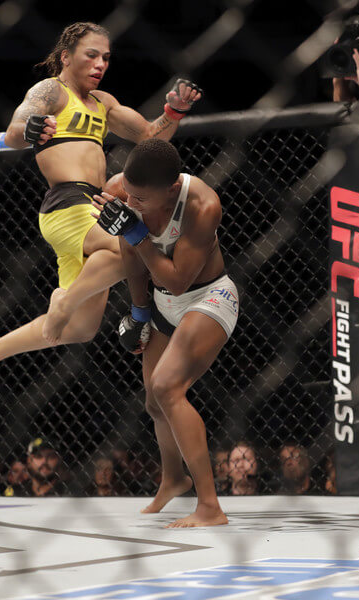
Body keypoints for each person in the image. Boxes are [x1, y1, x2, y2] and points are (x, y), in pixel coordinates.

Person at [0, 21, 201, 399]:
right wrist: (32, 127)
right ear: (66, 56)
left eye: (106, 57)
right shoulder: (51, 89)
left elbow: (150, 138)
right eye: (91, 55)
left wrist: (172, 111)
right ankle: (63, 302)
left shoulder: (104, 103)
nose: (100, 63)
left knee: (81, 328)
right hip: (66, 204)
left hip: (92, 206)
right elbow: (13, 132)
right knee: (133, 251)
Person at [93, 139, 239, 528]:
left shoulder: (202, 207)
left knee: (168, 387)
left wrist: (138, 233)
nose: (133, 202)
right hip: (159, 302)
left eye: (142, 198)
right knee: (154, 403)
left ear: (172, 189)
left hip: (207, 297)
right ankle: (174, 479)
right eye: (130, 194)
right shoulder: (120, 190)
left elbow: (177, 281)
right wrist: (139, 313)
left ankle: (210, 507)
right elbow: (130, 255)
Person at [3, 437, 68, 497]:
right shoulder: (15, 492)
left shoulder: (70, 491)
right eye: (38, 456)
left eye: (51, 456)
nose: (44, 461)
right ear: (29, 460)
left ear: (59, 460)